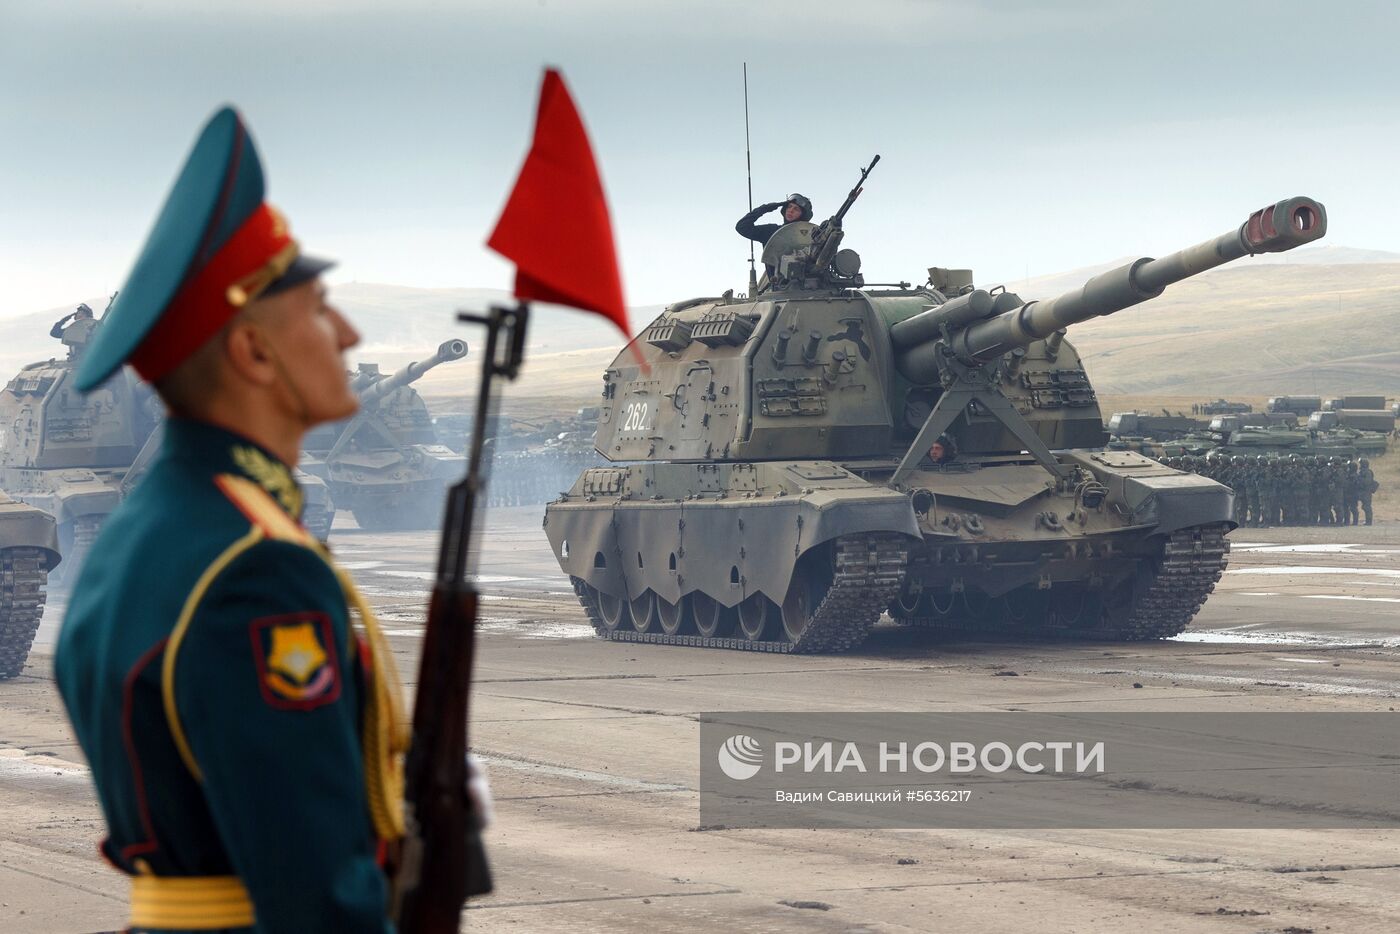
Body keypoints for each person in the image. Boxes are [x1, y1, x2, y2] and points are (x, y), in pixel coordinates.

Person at [54, 107, 405, 932]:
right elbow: (313, 888)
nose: (348, 333)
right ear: (252, 353)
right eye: (319, 310)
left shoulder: (146, 536)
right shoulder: (256, 570)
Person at [735, 193, 813, 247]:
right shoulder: (773, 231)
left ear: (802, 215)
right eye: (789, 207)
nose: (791, 210)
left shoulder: (810, 235)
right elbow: (742, 227)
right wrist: (765, 208)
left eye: (796, 209)